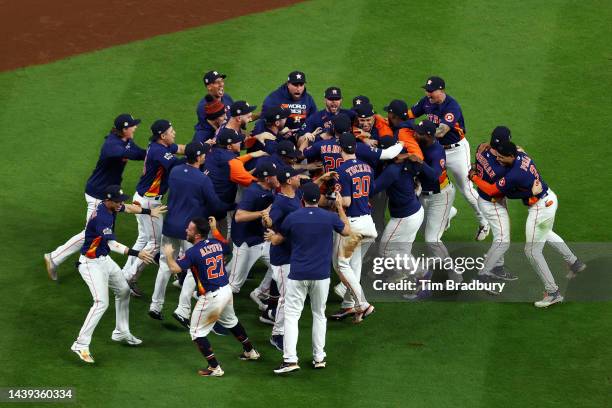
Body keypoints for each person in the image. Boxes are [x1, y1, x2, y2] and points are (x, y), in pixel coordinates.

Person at [469, 141, 586, 307]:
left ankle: (553, 292)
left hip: (540, 208)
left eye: (502, 157)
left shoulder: (514, 174)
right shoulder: (521, 155)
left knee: (532, 251)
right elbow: (519, 150)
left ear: (510, 156)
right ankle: (574, 263)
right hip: (549, 199)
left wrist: (474, 176)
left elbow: (501, 192)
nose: (499, 160)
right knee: (545, 233)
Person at [44, 114, 146, 280]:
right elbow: (127, 153)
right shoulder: (111, 145)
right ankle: (54, 258)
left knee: (100, 231)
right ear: (124, 129)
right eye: (132, 126)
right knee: (90, 232)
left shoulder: (126, 141)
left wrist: (154, 153)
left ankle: (80, 261)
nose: (135, 127)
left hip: (108, 194)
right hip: (98, 194)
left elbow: (139, 153)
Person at [70, 185, 164, 364]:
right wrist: (137, 253)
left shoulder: (111, 206)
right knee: (101, 303)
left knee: (123, 290)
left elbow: (128, 208)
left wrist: (148, 211)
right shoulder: (102, 217)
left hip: (104, 260)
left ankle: (121, 332)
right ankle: (80, 344)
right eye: (118, 200)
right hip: (90, 264)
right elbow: (113, 245)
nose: (121, 203)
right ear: (108, 200)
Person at [266, 182, 350, 374]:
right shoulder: (329, 217)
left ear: (302, 199)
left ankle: (290, 360)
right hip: (321, 276)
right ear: (318, 200)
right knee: (319, 315)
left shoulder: (293, 217)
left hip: (297, 274)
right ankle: (319, 357)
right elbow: (347, 231)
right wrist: (339, 208)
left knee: (292, 316)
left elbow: (278, 240)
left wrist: (272, 236)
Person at [148, 142, 234, 324]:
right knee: (191, 270)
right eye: (203, 154)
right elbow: (215, 205)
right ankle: (182, 310)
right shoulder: (202, 179)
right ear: (198, 157)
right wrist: (230, 207)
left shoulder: (176, 171)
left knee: (165, 265)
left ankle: (155, 306)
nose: (205, 156)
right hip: (190, 230)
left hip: (170, 225)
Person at [163, 217, 260, 377]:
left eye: (190, 229)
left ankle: (215, 367)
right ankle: (250, 351)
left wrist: (168, 255)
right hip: (226, 291)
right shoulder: (215, 243)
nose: (186, 230)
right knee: (231, 321)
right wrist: (215, 228)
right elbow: (226, 246)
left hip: (212, 297)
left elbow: (175, 269)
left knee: (196, 332)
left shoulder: (193, 252)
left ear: (197, 235)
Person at [408, 76, 489, 240]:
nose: (428, 93)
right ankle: (447, 212)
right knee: (427, 183)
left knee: (466, 189)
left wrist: (420, 136)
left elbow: (442, 131)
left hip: (457, 150)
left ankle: (484, 221)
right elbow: (409, 115)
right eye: (427, 90)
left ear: (441, 90)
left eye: (431, 91)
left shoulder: (452, 106)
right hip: (436, 150)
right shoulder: (426, 101)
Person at [121, 120, 186, 297]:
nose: (174, 133)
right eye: (171, 131)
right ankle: (129, 278)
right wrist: (196, 155)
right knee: (155, 244)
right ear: (163, 136)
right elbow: (177, 165)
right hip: (149, 202)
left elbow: (179, 149)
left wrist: (202, 146)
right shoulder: (159, 151)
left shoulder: (160, 145)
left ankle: (124, 273)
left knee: (143, 238)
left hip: (141, 198)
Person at [331, 132, 378, 323]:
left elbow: (348, 201)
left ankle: (363, 304)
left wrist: (337, 201)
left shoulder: (341, 171)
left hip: (353, 226)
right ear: (355, 148)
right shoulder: (367, 167)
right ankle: (349, 306)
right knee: (354, 265)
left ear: (339, 149)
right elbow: (370, 192)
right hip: (368, 223)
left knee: (340, 264)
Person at [407, 120, 461, 282]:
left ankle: (454, 272)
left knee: (432, 239)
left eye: (420, 133)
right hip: (423, 195)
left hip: (441, 196)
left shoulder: (436, 151)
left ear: (429, 136)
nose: (416, 134)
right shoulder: (419, 144)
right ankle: (448, 215)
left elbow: (434, 175)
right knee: (425, 234)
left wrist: (420, 162)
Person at [227, 162, 279, 307]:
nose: (278, 177)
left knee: (278, 266)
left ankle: (260, 292)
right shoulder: (253, 192)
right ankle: (210, 304)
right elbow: (239, 216)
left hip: (261, 239)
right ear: (268, 179)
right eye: (275, 175)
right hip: (246, 242)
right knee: (234, 285)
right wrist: (263, 213)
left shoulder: (269, 189)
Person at [203, 127, 267, 237]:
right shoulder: (232, 162)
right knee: (213, 237)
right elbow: (252, 182)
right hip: (218, 205)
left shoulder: (212, 151)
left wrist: (251, 155)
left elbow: (232, 162)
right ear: (229, 146)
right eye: (237, 142)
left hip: (204, 200)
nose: (240, 143)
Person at [193, 70, 233, 141]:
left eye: (222, 81)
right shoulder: (203, 107)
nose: (221, 84)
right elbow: (217, 127)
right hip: (210, 140)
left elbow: (237, 116)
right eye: (217, 82)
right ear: (209, 87)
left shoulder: (227, 97)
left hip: (227, 135)